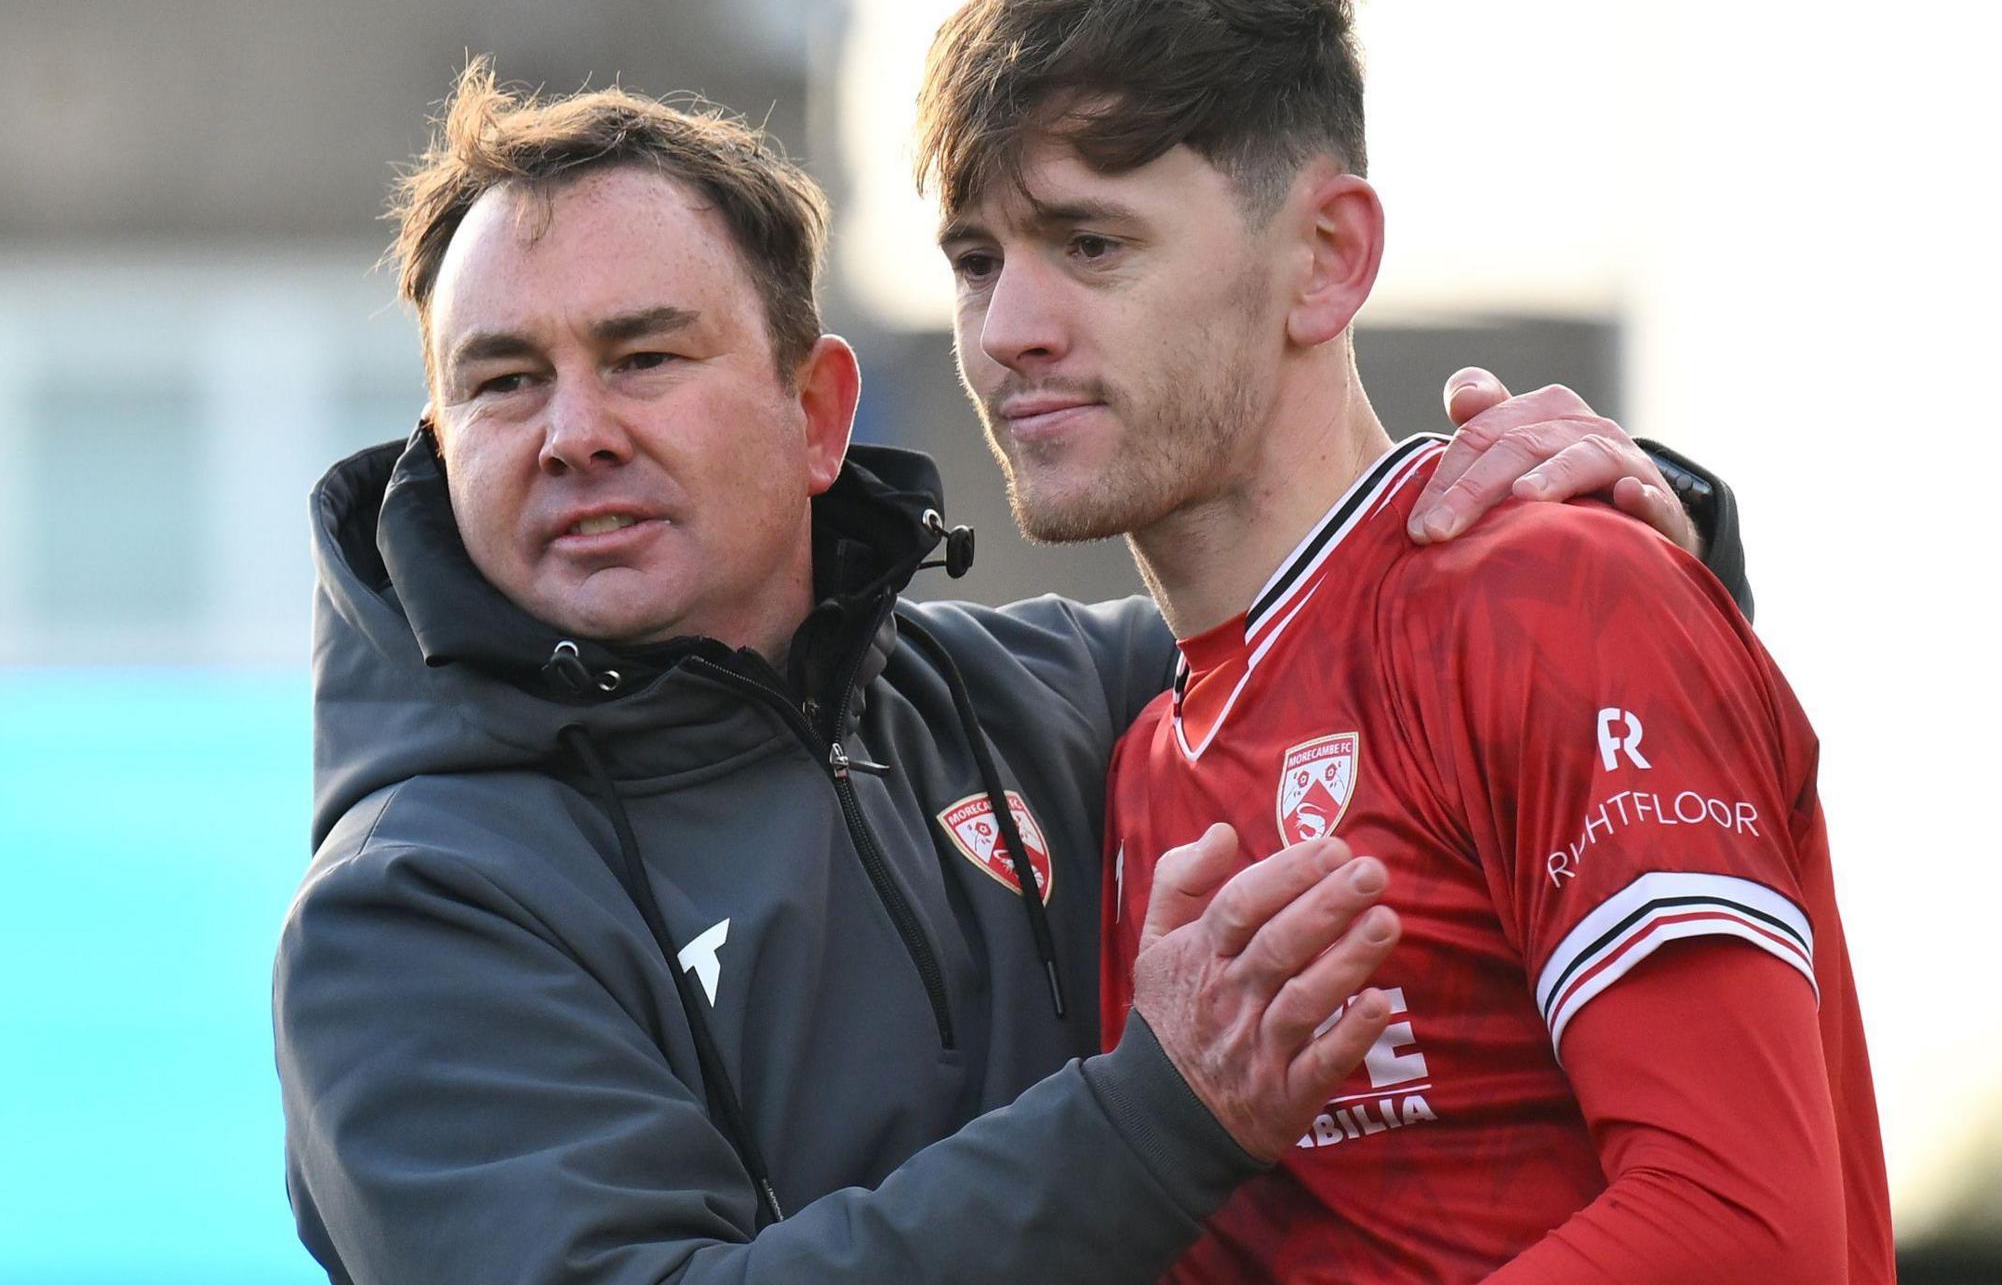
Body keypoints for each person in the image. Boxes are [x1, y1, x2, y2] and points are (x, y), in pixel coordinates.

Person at [271, 63, 1744, 1279]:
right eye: (502, 380)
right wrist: (1157, 1122)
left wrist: (1627, 523)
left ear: (817, 414)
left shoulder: (1073, 700)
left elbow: (1432, 675)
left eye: (644, 357)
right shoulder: (411, 910)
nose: (572, 430)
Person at [915, 0, 1888, 1283]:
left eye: (1092, 245)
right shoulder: (1140, 755)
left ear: (1326, 260)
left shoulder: (1550, 592)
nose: (1010, 330)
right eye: (974, 262)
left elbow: (1744, 1230)